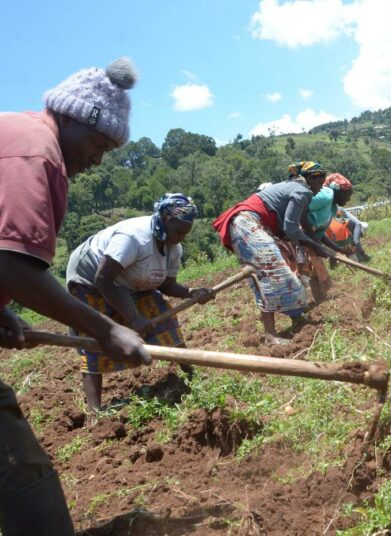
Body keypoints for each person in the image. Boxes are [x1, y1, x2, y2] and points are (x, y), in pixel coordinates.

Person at [0, 58, 150, 536]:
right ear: (69, 117)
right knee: (20, 473)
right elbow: (11, 264)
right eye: (98, 144)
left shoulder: (19, 136)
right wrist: (105, 328)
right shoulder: (35, 151)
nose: (98, 159)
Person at [66, 193, 214, 412]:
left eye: (185, 233)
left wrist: (192, 293)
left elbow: (165, 285)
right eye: (178, 231)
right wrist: (133, 318)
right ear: (165, 218)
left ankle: (192, 377)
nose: (181, 238)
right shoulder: (133, 238)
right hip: (90, 280)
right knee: (97, 338)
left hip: (129, 281)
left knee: (165, 320)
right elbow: (104, 279)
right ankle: (95, 411)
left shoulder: (174, 248)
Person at [213, 162, 331, 345]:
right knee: (272, 274)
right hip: (247, 225)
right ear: (311, 178)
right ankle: (271, 336)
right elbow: (291, 229)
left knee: (278, 275)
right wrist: (315, 246)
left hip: (245, 225)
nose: (320, 189)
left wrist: (318, 245)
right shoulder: (303, 192)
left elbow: (303, 226)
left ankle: (298, 320)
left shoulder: (296, 189)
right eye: (320, 183)